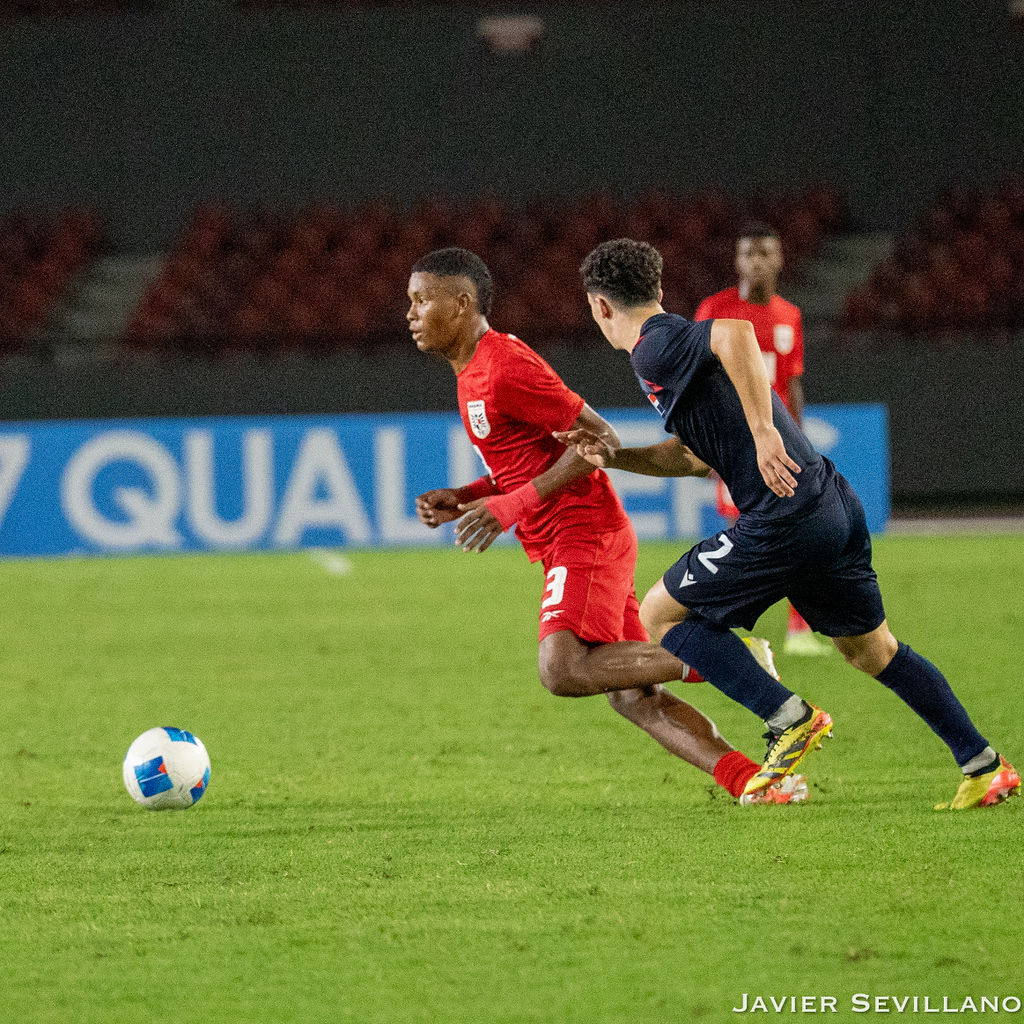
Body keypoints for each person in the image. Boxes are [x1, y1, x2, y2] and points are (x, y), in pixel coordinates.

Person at [561, 237, 1019, 809]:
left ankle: (788, 716)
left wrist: (763, 431)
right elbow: (693, 456)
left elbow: (735, 333)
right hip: (830, 507)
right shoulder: (669, 352)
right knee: (872, 650)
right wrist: (616, 456)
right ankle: (983, 765)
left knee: (659, 612)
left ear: (600, 305)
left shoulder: (654, 346)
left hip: (784, 517)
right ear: (657, 286)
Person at [407, 246, 804, 805]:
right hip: (566, 537)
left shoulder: (504, 365)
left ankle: (731, 661)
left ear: (462, 303)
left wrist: (511, 507)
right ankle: (758, 783)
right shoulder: (472, 371)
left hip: (584, 531)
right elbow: (527, 462)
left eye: (422, 300)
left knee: (562, 669)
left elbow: (597, 440)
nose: (411, 313)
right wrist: (470, 495)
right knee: (633, 694)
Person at [695, 222, 831, 656]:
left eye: (764, 253)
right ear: (737, 262)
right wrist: (706, 444)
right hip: (736, 445)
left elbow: (792, 383)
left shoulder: (790, 315)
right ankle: (727, 629)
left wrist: (800, 443)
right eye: (748, 253)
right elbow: (698, 382)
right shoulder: (715, 309)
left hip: (781, 446)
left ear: (780, 260)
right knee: (743, 536)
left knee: (798, 530)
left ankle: (799, 630)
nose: (756, 262)